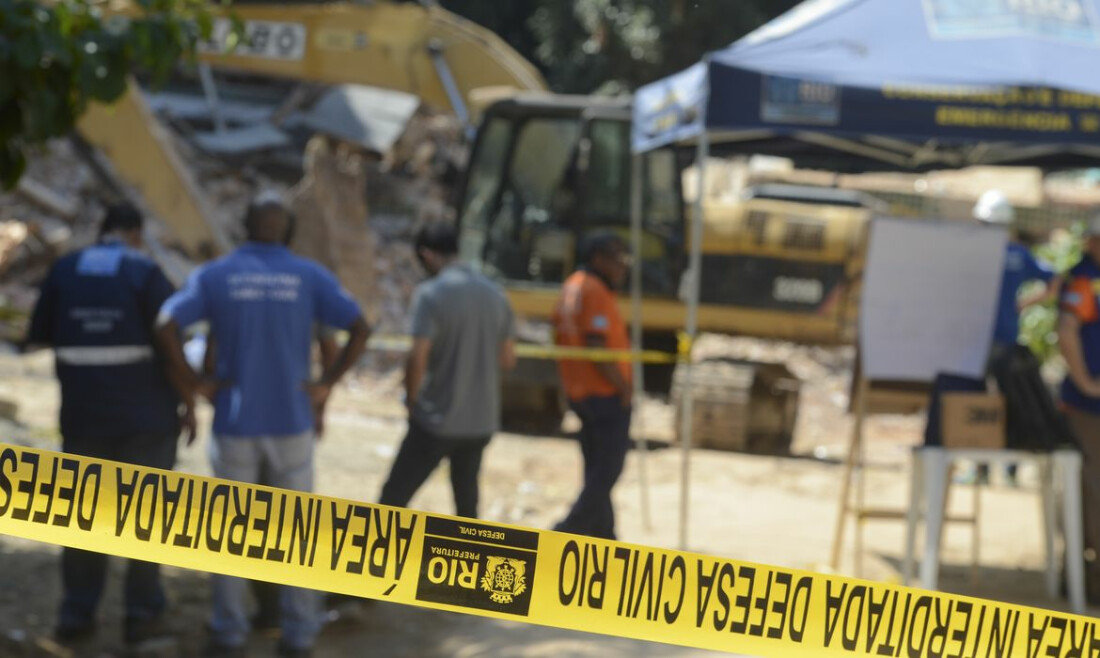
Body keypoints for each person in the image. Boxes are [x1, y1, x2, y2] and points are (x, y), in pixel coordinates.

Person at [154, 191, 370, 658]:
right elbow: (361, 327)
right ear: (287, 230)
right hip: (291, 422)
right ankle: (298, 635)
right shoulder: (309, 276)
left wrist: (196, 383)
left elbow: (166, 323)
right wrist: (326, 385)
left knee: (230, 533)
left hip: (236, 422)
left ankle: (228, 633)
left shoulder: (217, 275)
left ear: (245, 226)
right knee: (298, 532)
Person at [25, 203, 191, 647]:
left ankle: (77, 616)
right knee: (147, 517)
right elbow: (171, 340)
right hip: (147, 418)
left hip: (84, 417)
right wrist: (190, 400)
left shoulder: (65, 269)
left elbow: (38, 333)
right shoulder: (144, 270)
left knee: (83, 516)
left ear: (102, 230)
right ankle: (141, 616)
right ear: (135, 233)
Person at [378, 223, 515, 518]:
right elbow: (507, 359)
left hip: (437, 420)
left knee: (391, 502)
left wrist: (412, 401)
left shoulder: (431, 294)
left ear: (427, 255)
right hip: (480, 423)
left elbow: (417, 357)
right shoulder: (496, 294)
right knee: (466, 509)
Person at [551, 232, 632, 539]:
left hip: (580, 391)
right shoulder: (594, 290)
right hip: (604, 394)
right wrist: (623, 386)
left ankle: (604, 537)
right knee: (607, 471)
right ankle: (569, 528)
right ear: (598, 259)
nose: (622, 266)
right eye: (617, 258)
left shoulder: (572, 285)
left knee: (597, 468)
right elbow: (596, 346)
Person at [1057, 215, 1100, 603]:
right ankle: (1083, 579)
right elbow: (1067, 330)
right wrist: (1087, 382)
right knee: (1091, 492)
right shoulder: (1084, 280)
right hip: (1088, 409)